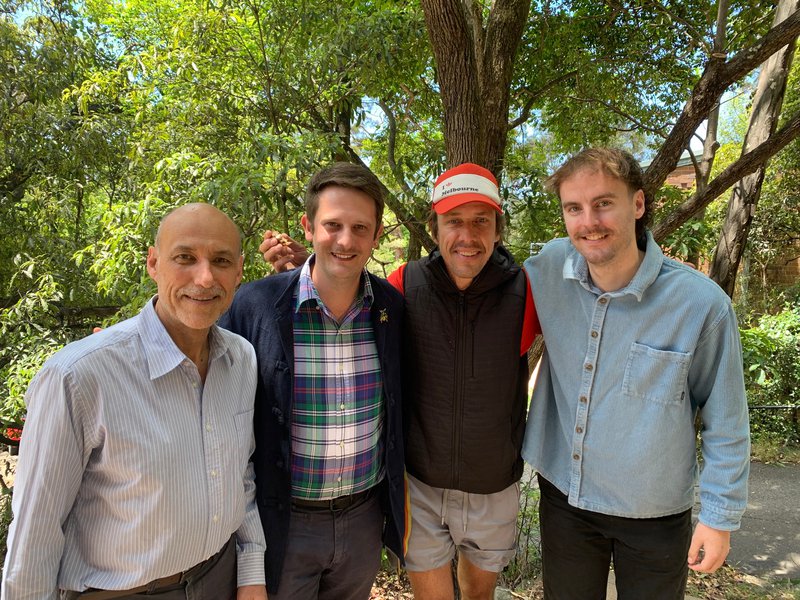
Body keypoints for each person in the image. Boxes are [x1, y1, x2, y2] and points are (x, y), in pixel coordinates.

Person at [261, 162, 539, 600]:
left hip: (494, 484)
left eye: (481, 221)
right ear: (434, 226)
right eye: (454, 221)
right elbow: (346, 287)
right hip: (419, 484)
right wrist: (308, 265)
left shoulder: (527, 291)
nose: (467, 236)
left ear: (498, 229)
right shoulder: (404, 285)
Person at [2, 204, 267, 600]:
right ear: (153, 263)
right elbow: (35, 534)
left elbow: (239, 474)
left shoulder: (241, 358)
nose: (205, 277)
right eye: (185, 257)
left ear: (239, 271)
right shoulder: (78, 377)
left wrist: (250, 570)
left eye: (221, 261)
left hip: (220, 577)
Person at [523, 147, 750, 599]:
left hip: (654, 513)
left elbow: (726, 420)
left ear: (639, 203)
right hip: (565, 498)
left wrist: (719, 517)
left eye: (604, 203)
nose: (589, 221)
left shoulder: (701, 305)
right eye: (574, 208)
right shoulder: (547, 268)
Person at [218, 163, 406, 600]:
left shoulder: (391, 309)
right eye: (332, 225)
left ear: (376, 235)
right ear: (308, 226)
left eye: (360, 228)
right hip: (283, 520)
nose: (346, 241)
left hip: (363, 519)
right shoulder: (257, 305)